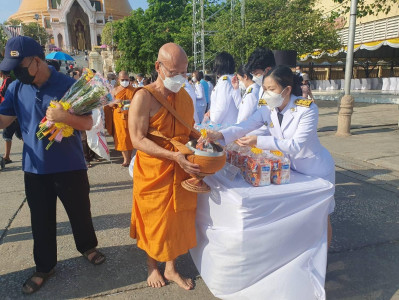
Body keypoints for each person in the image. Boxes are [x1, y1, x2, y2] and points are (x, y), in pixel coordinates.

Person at [0, 36, 105, 295]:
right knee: (41, 220)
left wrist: (64, 117)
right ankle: (44, 267)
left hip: (70, 166)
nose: (15, 71)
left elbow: (88, 124)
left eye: (19, 65)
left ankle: (87, 247)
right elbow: (3, 120)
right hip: (35, 170)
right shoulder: (15, 88)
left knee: (80, 212)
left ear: (36, 60)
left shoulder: (69, 84)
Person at [205, 65, 334, 247]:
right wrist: (221, 135)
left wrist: (257, 141)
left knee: (321, 217)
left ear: (287, 89)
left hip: (315, 169)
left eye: (271, 89)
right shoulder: (269, 107)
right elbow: (247, 124)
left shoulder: (307, 109)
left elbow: (296, 145)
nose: (266, 93)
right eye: (264, 89)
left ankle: (324, 258)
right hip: (291, 170)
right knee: (299, 218)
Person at [128, 42, 199, 290]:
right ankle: (152, 267)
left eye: (184, 72)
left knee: (175, 222)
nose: (180, 78)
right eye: (174, 72)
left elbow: (187, 130)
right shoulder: (143, 97)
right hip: (154, 172)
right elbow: (137, 139)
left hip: (180, 170)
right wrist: (173, 157)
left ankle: (171, 268)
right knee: (153, 221)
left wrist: (201, 138)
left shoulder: (185, 97)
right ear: (158, 67)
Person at [110, 71, 135, 166]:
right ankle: (126, 160)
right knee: (122, 137)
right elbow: (109, 104)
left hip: (131, 116)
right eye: (123, 80)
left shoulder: (134, 90)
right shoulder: (115, 90)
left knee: (130, 137)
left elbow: (139, 102)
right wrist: (115, 101)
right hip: (119, 117)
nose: (125, 81)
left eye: (127, 80)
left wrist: (129, 102)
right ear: (118, 80)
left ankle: (130, 158)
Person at [208, 52, 238, 126]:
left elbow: (221, 108)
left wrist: (212, 123)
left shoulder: (225, 82)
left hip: (223, 125)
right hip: (229, 123)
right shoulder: (230, 79)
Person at [1, 71, 22, 164]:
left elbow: (4, 95)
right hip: (14, 114)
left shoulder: (8, 81)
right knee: (20, 135)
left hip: (9, 114)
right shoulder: (7, 80)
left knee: (7, 135)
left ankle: (7, 157)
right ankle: (29, 153)